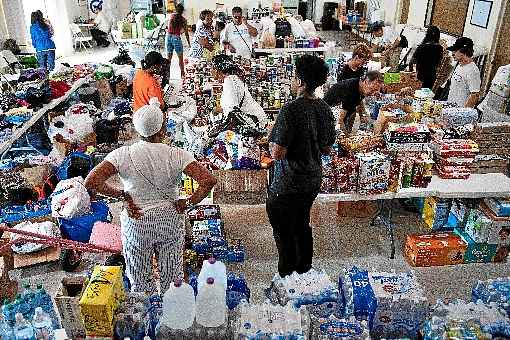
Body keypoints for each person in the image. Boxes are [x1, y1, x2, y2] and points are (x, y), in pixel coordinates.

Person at [84, 103, 217, 293]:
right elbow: (208, 180)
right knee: (172, 278)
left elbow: (92, 181)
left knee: (139, 280)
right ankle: (172, 315)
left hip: (137, 222)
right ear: (162, 128)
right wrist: (188, 201)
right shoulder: (177, 155)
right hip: (169, 220)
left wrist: (122, 195)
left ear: (137, 129)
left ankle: (147, 313)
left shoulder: (122, 154)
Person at [267, 54, 335, 278]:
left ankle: (287, 279)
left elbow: (278, 153)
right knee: (302, 225)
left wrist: (270, 139)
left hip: (288, 183)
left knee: (284, 231)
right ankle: (305, 275)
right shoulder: (325, 109)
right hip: (312, 179)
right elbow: (326, 148)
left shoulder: (290, 110)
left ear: (301, 82)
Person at [210, 54, 267, 128]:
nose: (211, 71)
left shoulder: (229, 81)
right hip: (255, 119)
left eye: (212, 68)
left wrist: (216, 110)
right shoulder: (233, 78)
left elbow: (232, 109)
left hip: (253, 123)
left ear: (217, 69)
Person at [447, 37, 481, 108]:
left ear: (464, 52)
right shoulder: (459, 65)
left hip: (460, 111)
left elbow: (475, 95)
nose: (452, 53)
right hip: (451, 107)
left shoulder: (472, 70)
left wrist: (463, 112)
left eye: (455, 51)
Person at [166, 3, 190, 79]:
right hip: (176, 38)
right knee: (180, 59)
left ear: (176, 9)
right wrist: (189, 43)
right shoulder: (183, 20)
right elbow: (186, 33)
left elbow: (169, 28)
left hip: (168, 37)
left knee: (168, 59)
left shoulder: (171, 16)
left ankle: (167, 76)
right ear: (182, 11)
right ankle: (182, 75)